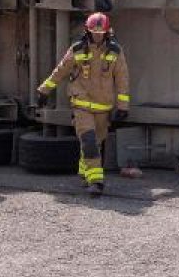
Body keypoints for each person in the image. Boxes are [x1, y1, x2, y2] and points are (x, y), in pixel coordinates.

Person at [36, 12, 130, 197]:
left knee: (95, 142)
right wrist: (44, 90)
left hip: (103, 107)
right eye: (94, 32)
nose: (97, 36)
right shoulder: (78, 49)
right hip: (81, 104)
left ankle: (84, 172)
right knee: (88, 140)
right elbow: (61, 70)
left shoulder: (115, 52)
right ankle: (96, 181)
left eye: (101, 33)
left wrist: (123, 107)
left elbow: (122, 79)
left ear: (107, 32)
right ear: (87, 31)